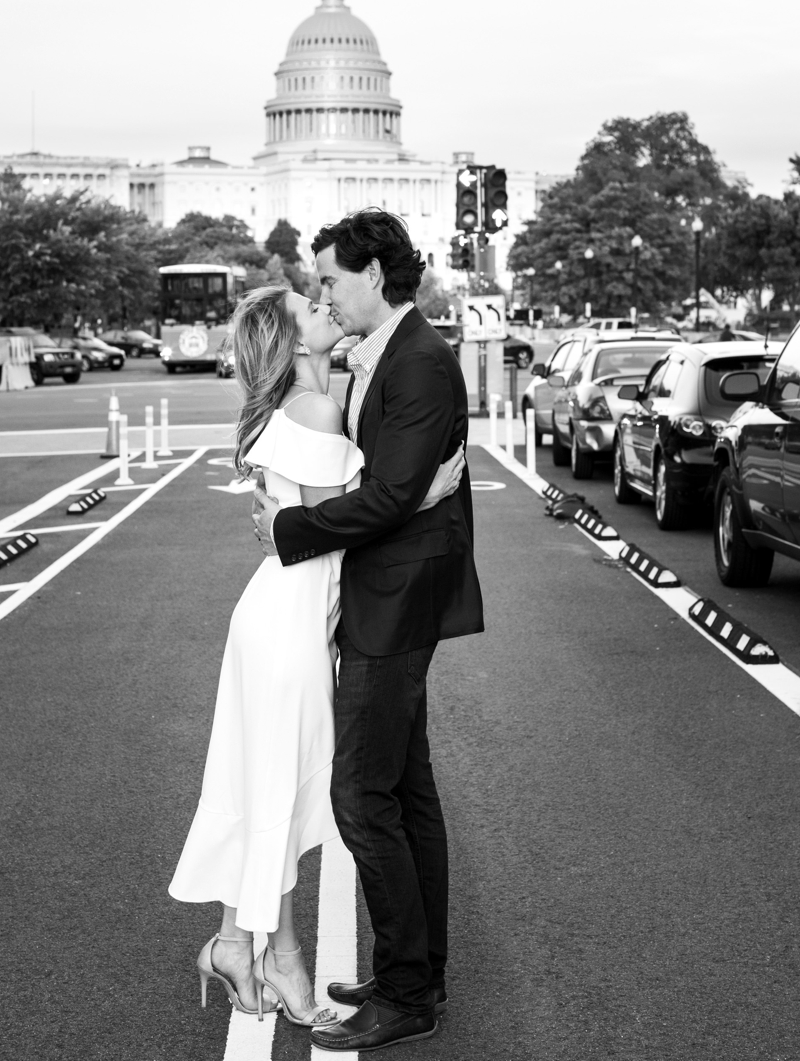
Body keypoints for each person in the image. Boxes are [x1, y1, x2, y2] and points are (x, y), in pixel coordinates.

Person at [171, 284, 463, 1027]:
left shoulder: (304, 405)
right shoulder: (318, 409)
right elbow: (352, 520)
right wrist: (425, 494)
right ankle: (275, 955)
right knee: (284, 793)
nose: (326, 307)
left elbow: (314, 516)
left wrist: (317, 516)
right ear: (295, 342)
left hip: (285, 615)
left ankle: (242, 943)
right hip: (288, 624)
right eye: (311, 307)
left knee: (275, 788)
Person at [254, 208, 484, 1052]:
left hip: (395, 600)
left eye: (331, 279)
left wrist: (288, 530)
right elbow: (393, 485)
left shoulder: (419, 362)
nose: (324, 293)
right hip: (387, 591)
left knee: (361, 793)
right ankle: (417, 974)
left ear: (374, 276)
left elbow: (389, 497)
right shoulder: (386, 354)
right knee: (407, 791)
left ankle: (408, 993)